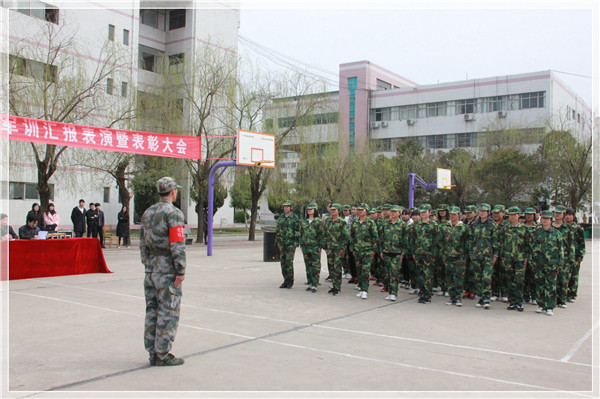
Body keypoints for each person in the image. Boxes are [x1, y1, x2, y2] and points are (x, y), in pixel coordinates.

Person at [140, 176, 186, 367]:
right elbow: (177, 244)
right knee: (168, 311)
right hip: (167, 270)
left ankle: (152, 351)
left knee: (152, 310)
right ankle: (162, 354)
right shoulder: (174, 213)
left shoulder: (148, 213)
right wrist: (180, 269)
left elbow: (142, 242)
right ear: (173, 191)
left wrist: (148, 263)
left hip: (151, 270)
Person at [499, 206, 532, 312]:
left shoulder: (524, 228)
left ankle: (519, 302)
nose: (512, 217)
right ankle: (511, 302)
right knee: (509, 280)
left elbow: (528, 244)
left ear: (518, 215)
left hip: (520, 258)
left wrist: (527, 257)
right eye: (510, 215)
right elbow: (502, 244)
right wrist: (503, 256)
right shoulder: (505, 228)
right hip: (508, 258)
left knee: (519, 281)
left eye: (514, 215)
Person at [531, 210, 563, 316]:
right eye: (543, 218)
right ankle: (541, 304)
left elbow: (560, 250)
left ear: (551, 220)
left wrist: (560, 264)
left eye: (547, 219)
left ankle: (549, 306)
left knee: (551, 285)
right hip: (538, 263)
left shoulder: (556, 234)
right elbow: (531, 248)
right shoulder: (536, 232)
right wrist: (532, 262)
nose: (545, 220)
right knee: (539, 284)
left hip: (552, 263)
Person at [469, 203, 499, 309]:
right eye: (480, 211)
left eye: (484, 211)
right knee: (477, 277)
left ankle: (487, 298)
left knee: (486, 277)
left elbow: (496, 242)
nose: (482, 213)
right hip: (476, 255)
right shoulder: (474, 225)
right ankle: (481, 297)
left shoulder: (492, 225)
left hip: (488, 255)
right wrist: (471, 253)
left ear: (488, 212)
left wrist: (495, 255)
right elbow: (471, 241)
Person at [440, 206, 469, 307]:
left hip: (459, 257)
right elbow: (441, 241)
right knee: (449, 278)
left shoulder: (464, 227)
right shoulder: (444, 227)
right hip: (448, 256)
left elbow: (467, 242)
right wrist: (443, 254)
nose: (452, 216)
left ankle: (458, 297)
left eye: (455, 214)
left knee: (459, 278)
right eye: (451, 214)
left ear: (459, 215)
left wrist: (465, 255)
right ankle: (451, 297)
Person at [411, 205, 438, 304]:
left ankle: (428, 295)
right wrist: (414, 252)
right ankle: (422, 293)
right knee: (420, 274)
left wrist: (434, 254)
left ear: (430, 213)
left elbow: (437, 240)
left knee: (428, 274)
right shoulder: (416, 225)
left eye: (425, 212)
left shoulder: (434, 225)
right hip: (418, 253)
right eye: (421, 212)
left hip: (429, 254)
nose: (422, 214)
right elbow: (413, 239)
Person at [351, 204, 379, 300]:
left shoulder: (370, 223)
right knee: (359, 269)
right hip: (357, 250)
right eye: (358, 210)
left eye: (362, 210)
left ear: (366, 211)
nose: (359, 212)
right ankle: (361, 288)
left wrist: (374, 250)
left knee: (365, 271)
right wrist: (352, 249)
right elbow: (352, 237)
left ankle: (365, 290)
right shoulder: (355, 223)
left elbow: (375, 237)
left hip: (367, 250)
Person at [379, 205, 405, 301]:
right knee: (388, 273)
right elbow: (382, 238)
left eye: (395, 211)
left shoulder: (402, 225)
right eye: (392, 211)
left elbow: (405, 240)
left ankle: (394, 292)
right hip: (387, 252)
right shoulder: (385, 224)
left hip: (397, 253)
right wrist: (381, 250)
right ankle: (390, 291)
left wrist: (403, 253)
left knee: (394, 273)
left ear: (399, 213)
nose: (393, 213)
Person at [323, 203, 349, 296]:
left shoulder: (342, 222)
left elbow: (345, 237)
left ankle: (337, 287)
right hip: (330, 248)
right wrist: (325, 247)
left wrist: (343, 249)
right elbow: (325, 234)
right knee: (331, 267)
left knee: (337, 268)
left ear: (338, 211)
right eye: (331, 209)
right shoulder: (328, 221)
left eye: (334, 210)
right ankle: (333, 285)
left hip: (338, 249)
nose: (332, 211)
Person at [552, 205, 575, 309]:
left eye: (559, 213)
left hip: (564, 258)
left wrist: (571, 258)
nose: (557, 215)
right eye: (556, 213)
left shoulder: (567, 229)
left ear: (563, 215)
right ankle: (552, 300)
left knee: (563, 279)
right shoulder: (550, 227)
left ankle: (561, 300)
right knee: (552, 280)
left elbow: (571, 244)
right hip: (551, 257)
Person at [275, 200, 300, 289]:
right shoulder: (281, 217)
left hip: (290, 243)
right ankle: (285, 280)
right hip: (282, 243)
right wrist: (277, 241)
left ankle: (290, 280)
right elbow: (277, 230)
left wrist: (296, 243)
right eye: (284, 206)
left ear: (291, 208)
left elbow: (297, 231)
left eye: (287, 206)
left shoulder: (295, 218)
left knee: (289, 261)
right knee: (283, 262)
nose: (285, 208)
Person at [300, 202, 324, 293]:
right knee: (308, 265)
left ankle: (315, 283)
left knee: (315, 265)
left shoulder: (318, 221)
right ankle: (310, 282)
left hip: (315, 246)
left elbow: (321, 234)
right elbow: (301, 234)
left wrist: (320, 246)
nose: (309, 210)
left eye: (311, 209)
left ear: (315, 210)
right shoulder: (304, 221)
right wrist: (301, 244)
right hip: (306, 246)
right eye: (308, 209)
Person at [565, 208, 586, 302]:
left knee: (574, 275)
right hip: (565, 255)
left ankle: (572, 294)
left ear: (573, 216)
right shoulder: (562, 227)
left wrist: (580, 255)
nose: (567, 216)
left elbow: (582, 243)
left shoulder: (578, 228)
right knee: (565, 275)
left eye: (570, 215)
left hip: (575, 255)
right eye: (566, 214)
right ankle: (564, 293)